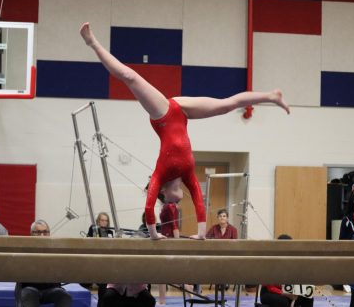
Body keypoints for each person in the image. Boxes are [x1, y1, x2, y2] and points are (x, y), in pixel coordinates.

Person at [80, 22, 290, 240]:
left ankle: (92, 43)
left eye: (172, 200)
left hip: (163, 115)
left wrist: (153, 235)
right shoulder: (187, 172)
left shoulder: (160, 173)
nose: (176, 201)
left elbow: (149, 207)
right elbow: (200, 200)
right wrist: (200, 234)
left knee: (130, 77)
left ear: (164, 191)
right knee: (226, 105)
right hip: (182, 112)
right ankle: (271, 96)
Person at [16, 220, 72, 307]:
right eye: (38, 232)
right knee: (28, 293)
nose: (42, 235)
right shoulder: (25, 250)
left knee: (64, 296)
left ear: (49, 234)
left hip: (51, 290)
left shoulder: (56, 251)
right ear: (31, 234)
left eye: (45, 232)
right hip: (30, 289)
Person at [260, 234, 314, 307]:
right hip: (269, 292)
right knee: (283, 301)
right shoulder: (271, 261)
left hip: (289, 291)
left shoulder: (294, 261)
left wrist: (299, 291)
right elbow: (270, 287)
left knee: (308, 297)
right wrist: (285, 293)